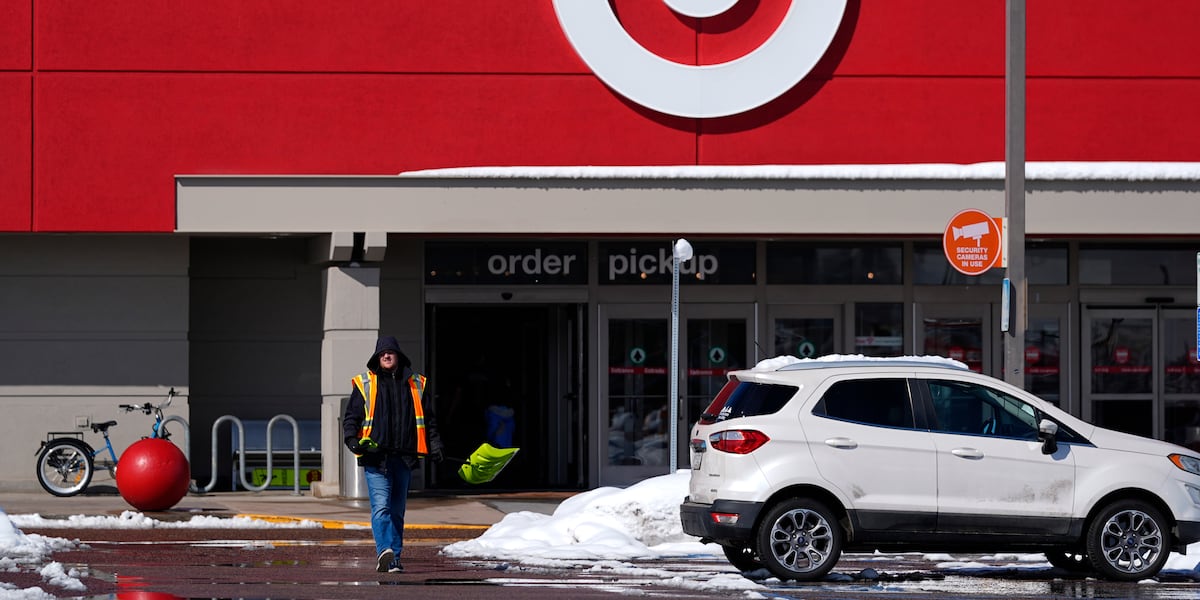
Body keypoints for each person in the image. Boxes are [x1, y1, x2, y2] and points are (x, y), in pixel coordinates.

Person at [343, 336, 444, 573]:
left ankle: (395, 558)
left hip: (404, 458)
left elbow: (429, 421)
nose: (386, 356)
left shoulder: (417, 384)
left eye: (390, 352)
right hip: (376, 459)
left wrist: (435, 445)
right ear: (377, 358)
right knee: (381, 508)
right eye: (382, 353)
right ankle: (384, 551)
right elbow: (351, 419)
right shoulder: (365, 383)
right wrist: (353, 441)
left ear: (398, 356)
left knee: (397, 512)